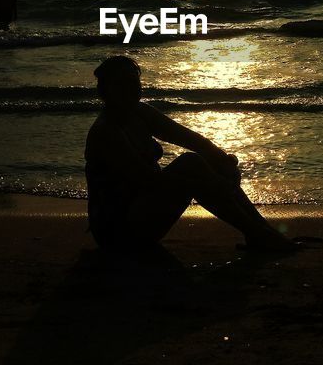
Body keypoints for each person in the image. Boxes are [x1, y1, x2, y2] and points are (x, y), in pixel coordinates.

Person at [84, 56, 296, 253]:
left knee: (201, 160)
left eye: (134, 83)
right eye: (121, 85)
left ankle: (261, 230)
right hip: (117, 230)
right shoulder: (106, 131)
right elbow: (149, 181)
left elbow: (190, 139)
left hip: (144, 210)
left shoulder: (140, 113)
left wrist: (222, 160)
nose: (130, 90)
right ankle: (257, 233)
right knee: (192, 165)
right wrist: (208, 184)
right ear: (106, 91)